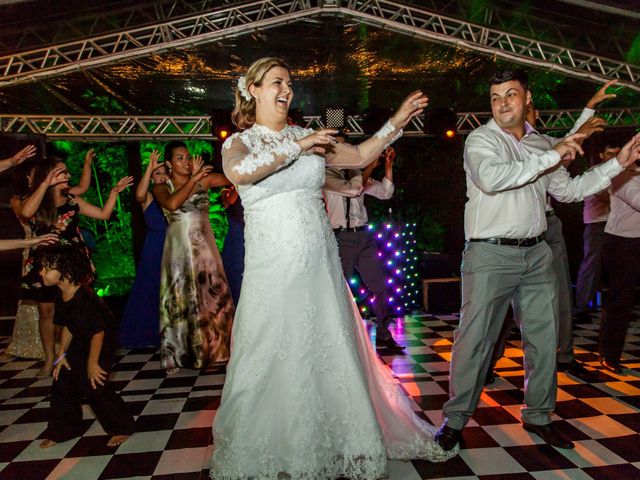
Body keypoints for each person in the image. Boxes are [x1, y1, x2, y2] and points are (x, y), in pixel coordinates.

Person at [210, 57, 455, 480]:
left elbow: (360, 156)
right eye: (276, 82)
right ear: (252, 89)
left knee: (329, 351)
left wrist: (396, 121)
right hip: (274, 271)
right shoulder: (241, 143)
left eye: (289, 82)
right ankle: (280, 445)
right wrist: (298, 147)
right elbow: (239, 173)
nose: (286, 89)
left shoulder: (310, 136)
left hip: (319, 266)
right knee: (273, 352)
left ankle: (341, 437)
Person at [435, 68, 640, 453]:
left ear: (527, 100)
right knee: (474, 340)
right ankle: (455, 420)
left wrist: (618, 165)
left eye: (511, 95)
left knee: (544, 341)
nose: (502, 103)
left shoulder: (540, 144)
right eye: (495, 97)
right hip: (489, 254)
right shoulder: (480, 141)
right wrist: (554, 154)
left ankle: (540, 416)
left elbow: (570, 190)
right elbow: (495, 179)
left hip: (537, 253)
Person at [12, 156, 133, 376]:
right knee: (46, 311)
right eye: (62, 172)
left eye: (67, 172)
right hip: (46, 264)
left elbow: (103, 214)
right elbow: (26, 213)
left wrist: (114, 192)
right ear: (48, 176)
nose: (68, 175)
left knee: (74, 309)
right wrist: (45, 184)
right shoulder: (34, 200)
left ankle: (70, 354)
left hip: (72, 263)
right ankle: (50, 358)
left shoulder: (72, 200)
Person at [38, 246, 135, 449]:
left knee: (94, 386)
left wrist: (92, 363)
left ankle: (122, 426)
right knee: (62, 382)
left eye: (47, 269)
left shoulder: (85, 299)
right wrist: (61, 354)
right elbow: (69, 326)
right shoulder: (61, 296)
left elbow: (98, 332)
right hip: (80, 340)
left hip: (101, 343)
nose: (42, 272)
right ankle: (64, 429)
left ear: (65, 273)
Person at [153, 141, 234, 375]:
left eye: (188, 157)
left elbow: (233, 176)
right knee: (180, 300)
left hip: (204, 248)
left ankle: (219, 351)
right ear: (169, 164)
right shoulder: (161, 187)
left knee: (213, 297)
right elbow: (172, 203)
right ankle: (178, 354)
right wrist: (193, 178)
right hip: (178, 251)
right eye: (180, 158)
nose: (186, 161)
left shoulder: (204, 181)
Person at [324, 143, 403, 353]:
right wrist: (370, 166)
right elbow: (353, 189)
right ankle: (339, 340)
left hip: (364, 237)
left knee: (382, 288)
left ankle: (384, 336)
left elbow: (386, 193)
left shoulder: (358, 174)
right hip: (341, 238)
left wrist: (386, 165)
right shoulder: (327, 175)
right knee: (341, 292)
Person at [119, 150, 168, 348]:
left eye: (165, 172)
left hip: (173, 244)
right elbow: (138, 195)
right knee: (150, 290)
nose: (162, 176)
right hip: (154, 247)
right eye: (158, 173)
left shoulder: (173, 194)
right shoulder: (148, 196)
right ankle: (146, 333)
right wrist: (150, 168)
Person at [598, 154, 640, 373]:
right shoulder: (617, 176)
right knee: (620, 301)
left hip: (635, 242)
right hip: (622, 244)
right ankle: (609, 354)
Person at [575, 141, 621, 321]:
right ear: (601, 155)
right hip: (597, 224)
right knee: (591, 266)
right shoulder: (594, 172)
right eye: (610, 153)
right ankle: (582, 306)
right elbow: (605, 196)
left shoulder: (622, 172)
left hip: (616, 224)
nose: (614, 157)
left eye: (617, 153)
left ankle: (615, 306)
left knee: (620, 267)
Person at [220, 185, 245, 306]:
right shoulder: (228, 189)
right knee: (235, 275)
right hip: (236, 236)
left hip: (245, 231)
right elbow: (229, 200)